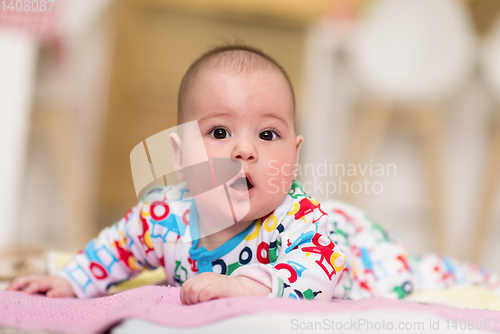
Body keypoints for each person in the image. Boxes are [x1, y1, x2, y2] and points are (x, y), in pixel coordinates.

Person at [6, 44, 499, 304]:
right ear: (180, 157)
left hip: (360, 251)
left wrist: (253, 285)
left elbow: (323, 269)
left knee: (429, 273)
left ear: (294, 154)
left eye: (268, 136)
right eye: (219, 133)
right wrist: (74, 279)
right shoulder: (164, 215)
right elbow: (117, 247)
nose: (244, 151)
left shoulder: (299, 221)